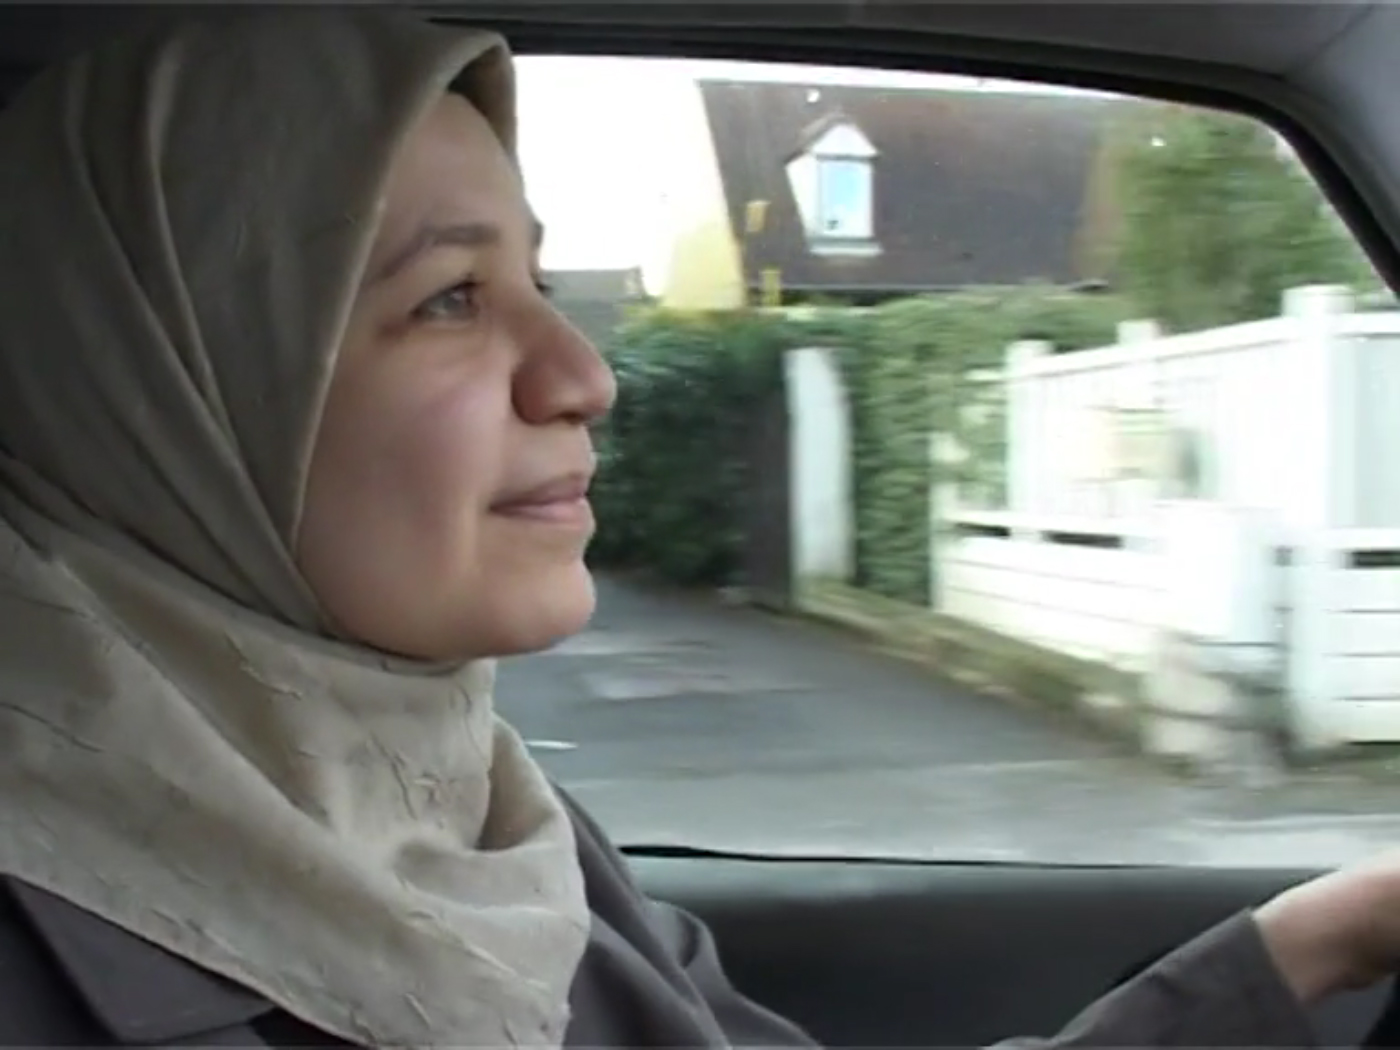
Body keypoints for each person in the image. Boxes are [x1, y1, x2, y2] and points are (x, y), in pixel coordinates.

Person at [0, 7, 1396, 1048]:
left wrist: (1313, 942)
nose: (584, 375)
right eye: (449, 299)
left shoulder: (499, 825)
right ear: (156, 391)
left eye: (540, 284)